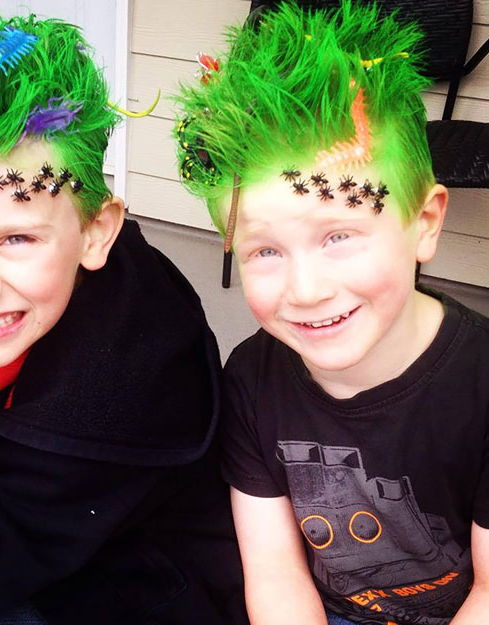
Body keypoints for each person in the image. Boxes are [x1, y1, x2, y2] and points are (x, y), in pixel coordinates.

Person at [0, 3, 248, 624]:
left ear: (96, 233)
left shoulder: (103, 407)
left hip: (136, 595)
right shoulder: (62, 269)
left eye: (16, 240)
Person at [173, 1, 489, 624]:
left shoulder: (482, 384)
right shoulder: (251, 380)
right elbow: (275, 576)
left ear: (424, 223)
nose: (307, 289)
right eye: (264, 249)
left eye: (339, 236)